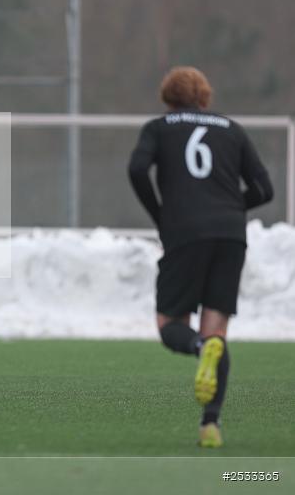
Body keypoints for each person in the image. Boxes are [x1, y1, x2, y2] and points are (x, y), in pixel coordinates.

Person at [128, 67, 273, 447]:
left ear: (168, 96)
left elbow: (137, 168)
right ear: (205, 96)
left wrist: (161, 215)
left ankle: (196, 347)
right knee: (217, 331)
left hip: (185, 233)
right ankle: (210, 425)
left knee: (170, 323)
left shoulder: (159, 128)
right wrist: (231, 206)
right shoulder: (232, 129)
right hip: (230, 235)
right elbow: (264, 188)